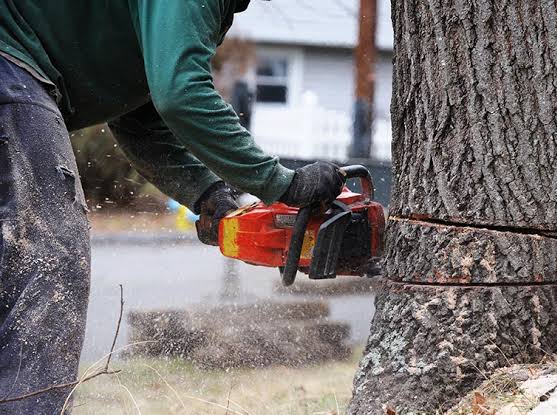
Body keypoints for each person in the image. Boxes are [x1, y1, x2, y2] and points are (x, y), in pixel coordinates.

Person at [0, 1, 345, 413]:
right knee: (51, 258)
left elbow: (137, 114)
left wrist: (206, 194)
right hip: (10, 63)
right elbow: (180, 94)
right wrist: (281, 184)